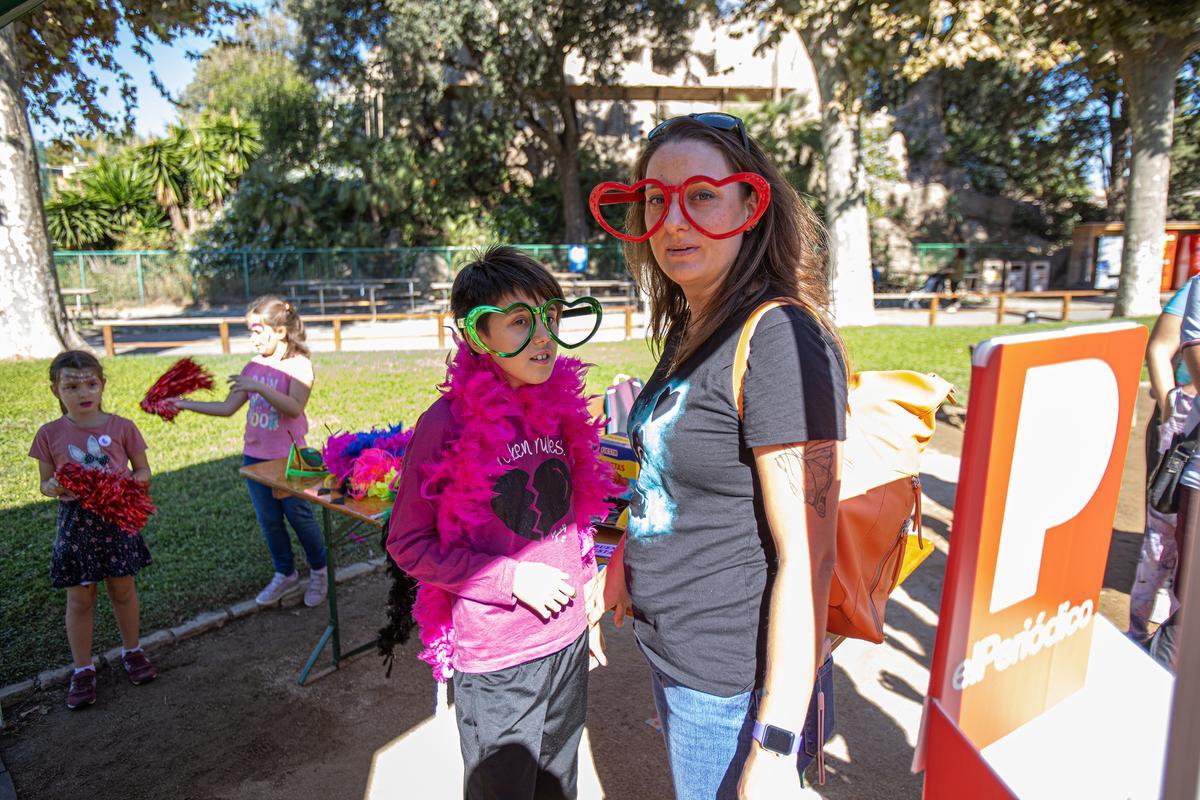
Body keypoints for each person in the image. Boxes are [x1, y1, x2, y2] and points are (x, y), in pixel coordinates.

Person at [588, 112, 845, 798]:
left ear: (750, 205)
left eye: (700, 194)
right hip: (676, 649)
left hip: (733, 686)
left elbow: (810, 555)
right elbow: (678, 470)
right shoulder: (693, 323)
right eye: (655, 199)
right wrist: (626, 559)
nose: (674, 221)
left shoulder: (782, 339)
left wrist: (776, 743)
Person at [382, 246, 616, 799]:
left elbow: (575, 517)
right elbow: (408, 543)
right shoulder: (446, 424)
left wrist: (587, 599)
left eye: (552, 319)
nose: (543, 337)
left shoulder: (559, 404)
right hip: (500, 658)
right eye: (520, 322)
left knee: (558, 783)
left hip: (566, 640)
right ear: (477, 335)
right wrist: (511, 580)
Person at [169, 296, 328, 608]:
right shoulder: (252, 367)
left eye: (258, 331)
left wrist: (259, 388)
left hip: (292, 457)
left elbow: (295, 409)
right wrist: (183, 404)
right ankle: (285, 574)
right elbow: (228, 408)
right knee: (269, 520)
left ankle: (320, 571)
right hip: (255, 457)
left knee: (300, 517)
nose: (253, 339)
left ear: (281, 331)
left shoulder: (299, 366)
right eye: (250, 332)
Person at [29, 350, 157, 709]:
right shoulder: (49, 434)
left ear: (102, 385)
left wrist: (133, 486)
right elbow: (43, 483)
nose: (83, 392)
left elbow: (143, 470)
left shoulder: (122, 427)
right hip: (77, 525)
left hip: (117, 519)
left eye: (91, 383)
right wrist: (52, 487)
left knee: (123, 589)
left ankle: (132, 651)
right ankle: (82, 670)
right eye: (71, 385)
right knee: (80, 598)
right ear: (56, 389)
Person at [1131, 275, 1198, 643]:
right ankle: (1145, 629)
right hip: (1183, 429)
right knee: (1163, 532)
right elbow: (1159, 347)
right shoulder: (1197, 287)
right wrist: (1170, 406)